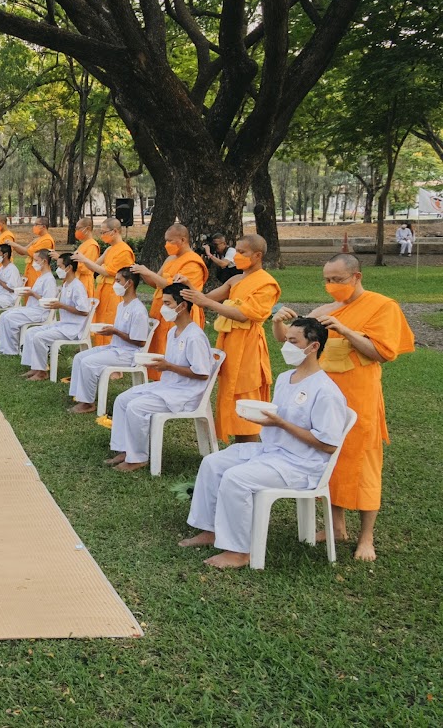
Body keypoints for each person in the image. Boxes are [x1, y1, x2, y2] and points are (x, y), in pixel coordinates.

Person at [272, 253, 415, 561]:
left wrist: (346, 329)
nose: (331, 285)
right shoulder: (325, 310)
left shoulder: (382, 306)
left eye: (337, 279)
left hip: (360, 397)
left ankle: (366, 537)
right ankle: (337, 528)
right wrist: (278, 323)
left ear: (356, 277)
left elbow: (382, 353)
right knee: (330, 461)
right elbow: (292, 343)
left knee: (363, 466)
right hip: (322, 396)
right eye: (327, 280)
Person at [177, 317, 350, 568]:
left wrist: (281, 424)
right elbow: (277, 416)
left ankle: (239, 551)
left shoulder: (326, 391)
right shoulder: (286, 378)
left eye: (293, 341)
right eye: (286, 340)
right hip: (272, 451)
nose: (286, 346)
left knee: (236, 478)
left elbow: (329, 445)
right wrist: (260, 417)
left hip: (301, 464)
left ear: (313, 346)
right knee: (213, 463)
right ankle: (211, 529)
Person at [181, 233, 278, 444]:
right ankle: (239, 447)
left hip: (249, 345)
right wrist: (189, 286)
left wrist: (208, 304)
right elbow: (206, 298)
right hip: (230, 343)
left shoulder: (266, 283)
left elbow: (244, 314)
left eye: (242, 252)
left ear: (257, 255)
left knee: (246, 394)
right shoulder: (236, 279)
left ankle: (250, 447)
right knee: (230, 392)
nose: (237, 256)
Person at [107, 284, 214, 472]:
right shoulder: (173, 332)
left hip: (186, 393)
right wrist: (159, 363)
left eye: (167, 303)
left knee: (136, 407)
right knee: (122, 400)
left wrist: (168, 366)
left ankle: (138, 458)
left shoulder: (194, 336)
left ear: (182, 306)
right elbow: (173, 361)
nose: (163, 308)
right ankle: (126, 449)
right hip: (169, 385)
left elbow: (202, 373)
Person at [130, 224, 208, 380]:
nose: (166, 244)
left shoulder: (193, 262)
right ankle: (159, 380)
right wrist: (142, 273)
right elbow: (156, 283)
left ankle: (175, 380)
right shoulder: (170, 259)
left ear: (183, 240)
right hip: (163, 309)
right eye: (165, 240)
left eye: (170, 241)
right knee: (159, 346)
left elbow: (176, 289)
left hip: (180, 311)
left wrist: (148, 271)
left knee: (175, 351)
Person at [67, 268, 150, 412]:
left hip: (129, 353)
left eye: (118, 281)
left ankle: (88, 403)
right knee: (79, 357)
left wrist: (115, 331)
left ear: (129, 283)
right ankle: (78, 395)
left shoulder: (138, 310)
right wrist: (111, 330)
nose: (115, 284)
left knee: (88, 362)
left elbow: (140, 342)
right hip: (115, 347)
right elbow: (119, 330)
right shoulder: (121, 305)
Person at [20, 252, 89, 381]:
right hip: (63, 324)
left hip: (73, 328)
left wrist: (61, 306)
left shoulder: (77, 286)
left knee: (40, 337)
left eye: (60, 266)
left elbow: (84, 311)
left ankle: (42, 372)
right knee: (31, 332)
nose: (57, 269)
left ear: (69, 268)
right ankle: (35, 367)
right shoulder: (66, 284)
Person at [75, 218, 134, 347]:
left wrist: (85, 260)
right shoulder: (109, 249)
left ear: (115, 231)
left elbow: (108, 272)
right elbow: (95, 266)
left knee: (110, 322)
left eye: (104, 232)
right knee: (100, 321)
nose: (102, 236)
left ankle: (111, 352)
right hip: (103, 290)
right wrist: (81, 260)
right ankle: (100, 351)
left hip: (115, 293)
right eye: (101, 232)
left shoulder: (124, 251)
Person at [0, 248, 58, 356]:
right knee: (3, 315)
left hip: (41, 312)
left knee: (9, 318)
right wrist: (28, 292)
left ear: (44, 261)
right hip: (32, 308)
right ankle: (5, 348)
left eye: (36, 260)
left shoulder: (49, 279)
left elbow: (48, 302)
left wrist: (32, 293)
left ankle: (11, 350)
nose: (34, 263)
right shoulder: (41, 276)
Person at [9, 216, 56, 288]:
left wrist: (14, 245)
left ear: (43, 226)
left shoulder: (47, 240)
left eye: (36, 224)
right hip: (30, 271)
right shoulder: (38, 239)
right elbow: (23, 251)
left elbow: (29, 252)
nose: (34, 227)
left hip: (38, 273)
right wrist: (12, 245)